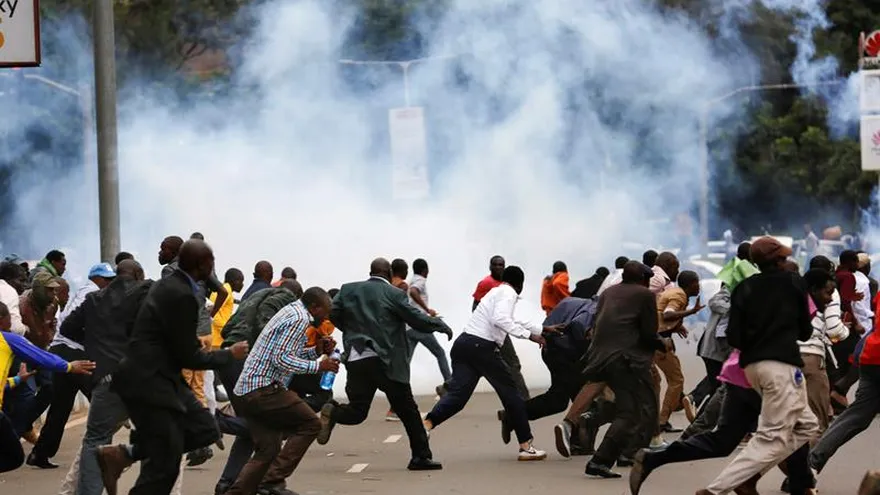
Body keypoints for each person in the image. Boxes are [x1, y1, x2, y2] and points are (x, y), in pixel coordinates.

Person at [97, 240, 250, 495]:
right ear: (201, 265)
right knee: (162, 470)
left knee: (205, 429)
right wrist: (228, 354)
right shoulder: (180, 294)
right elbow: (190, 357)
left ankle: (126, 454)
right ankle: (127, 456)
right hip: (148, 381)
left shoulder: (174, 286)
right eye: (211, 260)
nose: (213, 266)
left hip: (163, 377)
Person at [696, 237, 819, 495]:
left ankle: (750, 475)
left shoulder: (744, 287)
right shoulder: (794, 283)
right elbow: (805, 332)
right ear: (780, 260)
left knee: (806, 425)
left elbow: (734, 336)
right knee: (771, 436)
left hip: (752, 367)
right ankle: (716, 489)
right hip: (782, 366)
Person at [317, 258, 452, 471]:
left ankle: (333, 411)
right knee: (408, 410)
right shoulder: (394, 294)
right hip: (384, 361)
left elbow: (333, 313)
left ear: (370, 271)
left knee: (357, 411)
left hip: (356, 358)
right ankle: (420, 457)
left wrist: (352, 331)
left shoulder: (348, 289)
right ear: (389, 273)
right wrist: (439, 324)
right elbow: (415, 319)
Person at [426, 266, 559, 461]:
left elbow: (512, 319)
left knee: (457, 396)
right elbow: (501, 319)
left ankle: (426, 425)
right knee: (512, 394)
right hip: (482, 348)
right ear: (520, 284)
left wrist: (542, 329)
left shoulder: (496, 292)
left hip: (464, 344)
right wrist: (530, 336)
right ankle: (526, 446)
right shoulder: (509, 293)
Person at [224, 287, 334, 495]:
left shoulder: (292, 310)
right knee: (311, 423)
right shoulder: (300, 319)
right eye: (325, 312)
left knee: (268, 449)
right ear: (314, 307)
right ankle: (271, 482)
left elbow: (288, 353)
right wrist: (319, 366)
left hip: (248, 389)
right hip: (263, 388)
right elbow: (281, 359)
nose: (326, 318)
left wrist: (317, 351)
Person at [56, 260, 152, 495]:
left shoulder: (93, 300)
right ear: (139, 274)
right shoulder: (147, 291)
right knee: (158, 436)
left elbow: (67, 329)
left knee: (95, 441)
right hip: (143, 380)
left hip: (107, 381)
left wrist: (94, 342)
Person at [581, 261, 670, 479]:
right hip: (626, 360)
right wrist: (663, 343)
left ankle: (596, 424)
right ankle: (607, 458)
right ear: (643, 280)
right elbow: (648, 334)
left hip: (601, 359)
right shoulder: (644, 295)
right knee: (637, 409)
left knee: (625, 406)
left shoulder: (608, 292)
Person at [28, 263, 117, 469]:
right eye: (107, 279)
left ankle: (40, 454)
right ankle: (103, 453)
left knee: (61, 406)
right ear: (97, 279)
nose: (110, 283)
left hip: (61, 351)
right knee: (103, 398)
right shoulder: (93, 294)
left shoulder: (85, 292)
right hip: (74, 351)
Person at [0, 301, 95, 473]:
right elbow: (41, 357)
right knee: (14, 457)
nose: (13, 322)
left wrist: (18, 379)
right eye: (10, 317)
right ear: (1, 320)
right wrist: (69, 366)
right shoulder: (8, 339)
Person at [471, 255, 529, 399]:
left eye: (501, 265)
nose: (498, 267)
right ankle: (525, 400)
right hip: (493, 330)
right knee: (513, 364)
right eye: (495, 265)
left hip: (501, 328)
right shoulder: (485, 283)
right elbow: (476, 307)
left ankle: (447, 387)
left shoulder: (505, 284)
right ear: (490, 267)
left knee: (484, 364)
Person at [654, 271, 702, 431]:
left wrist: (676, 327)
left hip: (655, 339)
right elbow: (668, 314)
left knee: (660, 379)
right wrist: (692, 312)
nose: (699, 286)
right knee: (676, 380)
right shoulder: (679, 295)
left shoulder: (675, 292)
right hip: (659, 343)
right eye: (697, 282)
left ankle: (671, 407)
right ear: (690, 284)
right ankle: (662, 420)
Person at [406, 258, 451, 397]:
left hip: (408, 327)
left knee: (406, 361)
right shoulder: (420, 281)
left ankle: (400, 390)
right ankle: (450, 385)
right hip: (419, 326)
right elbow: (414, 292)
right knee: (440, 353)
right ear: (425, 270)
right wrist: (427, 309)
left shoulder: (411, 280)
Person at [0, 261, 28, 335]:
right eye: (21, 281)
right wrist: (25, 329)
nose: (25, 285)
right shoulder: (8, 290)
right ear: (8, 279)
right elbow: (15, 328)